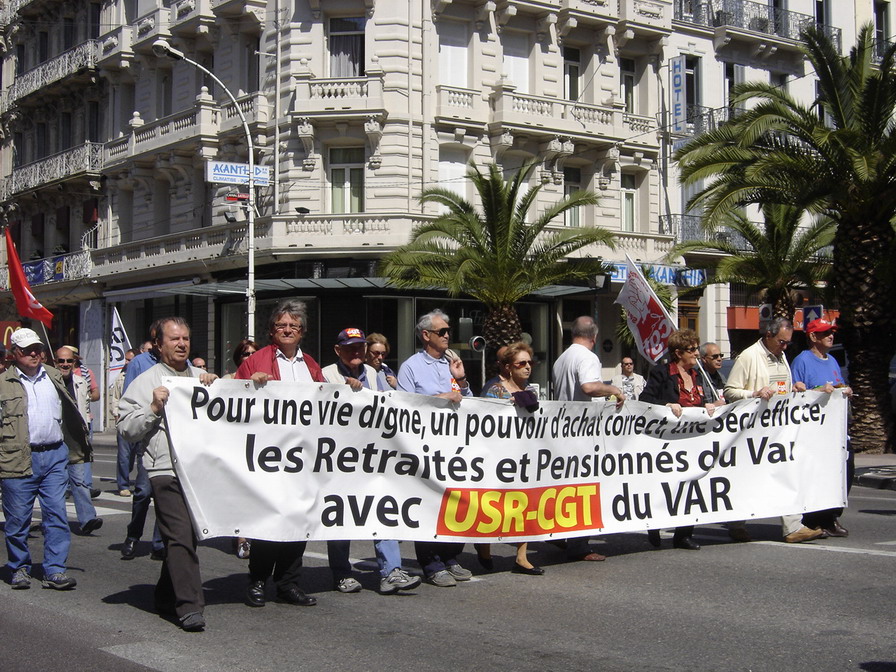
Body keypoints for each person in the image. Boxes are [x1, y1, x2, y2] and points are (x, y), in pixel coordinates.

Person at [118, 317, 217, 631]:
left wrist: (217, 389)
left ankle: (164, 595)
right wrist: (152, 408)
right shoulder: (147, 380)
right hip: (165, 470)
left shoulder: (200, 378)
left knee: (187, 537)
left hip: (197, 471)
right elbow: (125, 428)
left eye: (186, 338)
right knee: (178, 536)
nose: (182, 344)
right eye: (174, 339)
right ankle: (189, 606)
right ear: (158, 344)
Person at [323, 327, 422, 594]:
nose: (356, 352)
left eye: (360, 347)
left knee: (383, 509)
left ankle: (391, 571)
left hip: (374, 456)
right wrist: (344, 391)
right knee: (340, 515)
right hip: (340, 458)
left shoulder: (375, 375)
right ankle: (341, 573)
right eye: (350, 347)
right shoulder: (326, 374)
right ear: (338, 350)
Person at [235, 300, 320, 609]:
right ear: (271, 331)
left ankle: (288, 583)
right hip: (269, 457)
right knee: (269, 521)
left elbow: (327, 408)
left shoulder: (310, 365)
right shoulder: (256, 360)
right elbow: (233, 402)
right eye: (281, 325)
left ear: (302, 332)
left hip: (304, 459)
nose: (287, 330)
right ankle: (257, 580)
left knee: (299, 521)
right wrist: (249, 384)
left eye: (293, 326)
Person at [1, 328, 91, 590]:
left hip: (54, 456)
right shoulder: (3, 384)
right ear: (14, 354)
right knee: (18, 521)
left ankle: (55, 570)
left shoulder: (53, 376)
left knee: (57, 515)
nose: (34, 353)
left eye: (38, 348)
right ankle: (19, 567)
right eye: (28, 349)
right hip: (17, 458)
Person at [724, 317, 820, 544]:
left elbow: (781, 387)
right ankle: (736, 523)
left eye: (787, 342)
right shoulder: (749, 357)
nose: (785, 346)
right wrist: (753, 394)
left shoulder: (782, 356)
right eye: (781, 341)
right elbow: (730, 391)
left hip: (779, 429)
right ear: (768, 335)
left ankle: (793, 526)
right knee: (748, 478)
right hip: (753, 430)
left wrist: (793, 388)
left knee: (787, 473)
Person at [397, 309, 474, 587]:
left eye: (448, 331)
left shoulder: (451, 362)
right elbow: (403, 405)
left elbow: (470, 402)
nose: (447, 335)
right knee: (428, 504)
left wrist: (462, 380)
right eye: (442, 331)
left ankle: (450, 555)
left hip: (454, 448)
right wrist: (438, 399)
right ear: (425, 335)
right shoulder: (411, 367)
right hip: (425, 448)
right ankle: (431, 562)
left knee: (455, 503)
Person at [639, 329, 721, 551]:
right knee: (665, 485)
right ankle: (654, 524)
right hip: (667, 441)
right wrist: (666, 406)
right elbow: (645, 399)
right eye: (692, 349)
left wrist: (712, 406)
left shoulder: (700, 374)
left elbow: (707, 400)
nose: (696, 353)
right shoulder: (662, 372)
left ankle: (684, 534)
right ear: (678, 353)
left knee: (692, 484)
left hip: (693, 440)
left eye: (696, 348)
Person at [552, 316, 624, 562]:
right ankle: (580, 544)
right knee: (585, 490)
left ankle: (563, 535)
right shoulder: (587, 357)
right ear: (594, 337)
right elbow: (589, 387)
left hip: (564, 431)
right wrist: (614, 390)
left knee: (567, 488)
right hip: (582, 433)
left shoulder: (562, 358)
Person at [483, 342, 545, 575]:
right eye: (522, 363)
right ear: (509, 367)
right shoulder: (495, 390)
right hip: (496, 458)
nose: (528, 367)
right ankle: (483, 545)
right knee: (491, 504)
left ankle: (521, 556)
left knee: (524, 502)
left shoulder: (529, 391)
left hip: (522, 458)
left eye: (530, 363)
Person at [791, 318, 853, 537]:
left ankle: (831, 516)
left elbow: (838, 385)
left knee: (845, 471)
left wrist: (844, 391)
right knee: (817, 474)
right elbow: (798, 394)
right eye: (825, 332)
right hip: (815, 430)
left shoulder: (833, 360)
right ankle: (815, 519)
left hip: (836, 429)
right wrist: (819, 390)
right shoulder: (802, 361)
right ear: (813, 337)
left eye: (832, 332)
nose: (831, 336)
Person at [55, 346, 102, 536]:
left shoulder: (81, 382)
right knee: (55, 485)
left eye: (69, 361)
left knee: (80, 482)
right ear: (55, 362)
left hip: (76, 440)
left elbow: (86, 405)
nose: (65, 364)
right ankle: (56, 522)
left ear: (74, 363)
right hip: (55, 439)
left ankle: (87, 519)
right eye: (61, 361)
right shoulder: (49, 382)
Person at [222, 338, 258, 559]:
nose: (250, 357)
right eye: (246, 354)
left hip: (260, 447)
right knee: (240, 493)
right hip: (235, 444)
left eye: (254, 353)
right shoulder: (228, 380)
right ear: (238, 358)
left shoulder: (265, 379)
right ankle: (242, 537)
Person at [112, 348, 138, 496]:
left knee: (138, 456)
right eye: (126, 360)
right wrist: (116, 413)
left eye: (130, 360)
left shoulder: (142, 376)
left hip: (139, 419)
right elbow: (115, 398)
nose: (127, 362)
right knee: (124, 455)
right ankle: (123, 484)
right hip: (124, 419)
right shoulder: (121, 378)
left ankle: (142, 484)